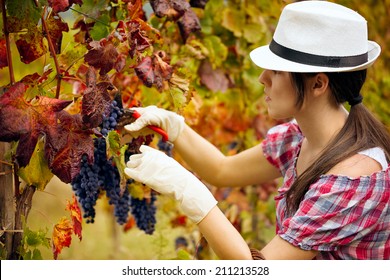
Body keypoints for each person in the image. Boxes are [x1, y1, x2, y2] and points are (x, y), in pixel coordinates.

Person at [124, 1, 390, 260]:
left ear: (318, 84)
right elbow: (222, 170)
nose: (262, 78)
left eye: (275, 71)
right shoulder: (300, 138)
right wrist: (172, 125)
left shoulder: (352, 180)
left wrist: (185, 189)